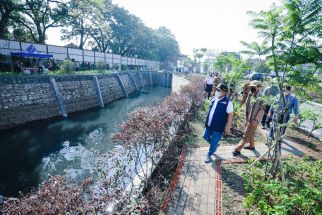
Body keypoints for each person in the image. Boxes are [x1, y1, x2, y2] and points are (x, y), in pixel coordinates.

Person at [233, 80, 265, 156]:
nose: (252, 88)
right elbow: (247, 105)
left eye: (254, 87)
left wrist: (256, 120)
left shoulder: (261, 97)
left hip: (255, 119)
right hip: (249, 117)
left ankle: (238, 149)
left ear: (258, 87)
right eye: (251, 87)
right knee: (251, 132)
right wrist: (246, 117)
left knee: (246, 134)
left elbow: (262, 110)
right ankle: (252, 145)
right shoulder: (250, 94)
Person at [203, 84, 233, 163]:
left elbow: (230, 115)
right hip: (209, 124)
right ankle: (214, 145)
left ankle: (209, 154)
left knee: (213, 142)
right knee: (205, 136)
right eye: (217, 89)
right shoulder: (213, 98)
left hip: (218, 127)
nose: (217, 91)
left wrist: (228, 127)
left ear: (224, 92)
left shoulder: (228, 102)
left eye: (219, 90)